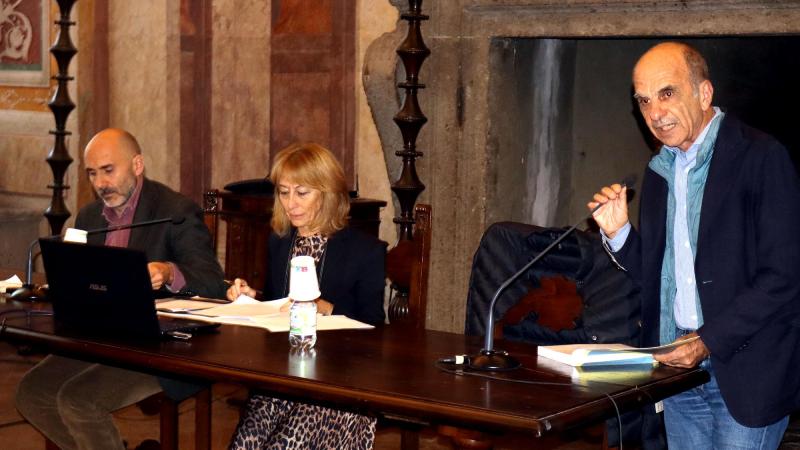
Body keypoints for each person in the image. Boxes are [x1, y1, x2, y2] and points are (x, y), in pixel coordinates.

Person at [588, 42, 800, 449]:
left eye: (667, 93)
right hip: (677, 372)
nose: (655, 113)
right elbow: (660, 277)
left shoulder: (760, 157)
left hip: (747, 373)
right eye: (644, 101)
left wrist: (706, 340)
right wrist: (619, 234)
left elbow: (783, 277)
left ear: (704, 93)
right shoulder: (660, 171)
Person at [15, 128, 227, 450]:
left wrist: (169, 271)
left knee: (78, 400)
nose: (101, 183)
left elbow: (213, 281)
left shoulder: (175, 212)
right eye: (92, 173)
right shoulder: (89, 216)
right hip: (99, 338)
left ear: (137, 165)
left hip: (158, 348)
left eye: (108, 170)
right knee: (31, 393)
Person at [226, 142, 386, 449]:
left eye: (302, 193)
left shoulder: (365, 251)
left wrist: (323, 307)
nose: (290, 204)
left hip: (338, 384)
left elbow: (374, 327)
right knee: (244, 444)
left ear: (328, 194)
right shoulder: (280, 242)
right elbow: (279, 304)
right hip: (284, 377)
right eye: (283, 192)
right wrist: (252, 298)